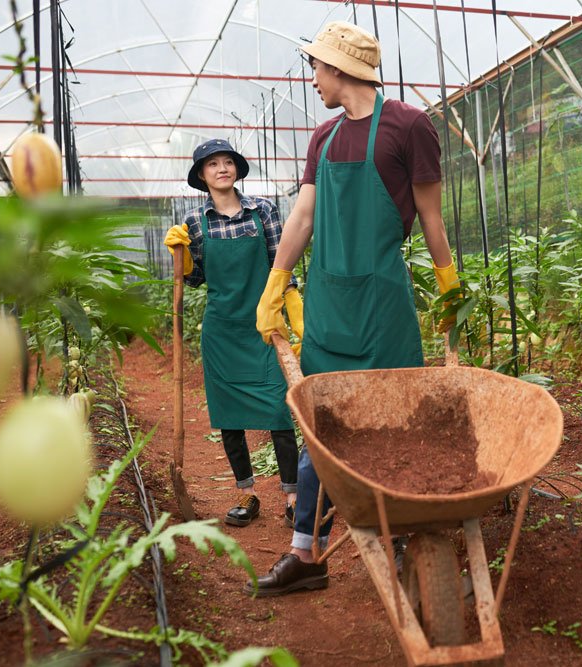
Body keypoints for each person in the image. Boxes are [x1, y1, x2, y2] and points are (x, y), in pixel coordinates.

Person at [249, 21, 460, 597]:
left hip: (384, 305)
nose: (312, 78)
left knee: (396, 425)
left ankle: (400, 544)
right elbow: (303, 218)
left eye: (317, 67)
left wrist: (450, 289)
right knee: (326, 431)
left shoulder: (409, 126)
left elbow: (432, 218)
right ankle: (306, 553)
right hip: (329, 305)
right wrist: (277, 282)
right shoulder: (323, 137)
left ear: (341, 69)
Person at [163, 139, 302, 528]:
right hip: (222, 331)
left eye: (228, 162)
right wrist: (183, 257)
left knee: (279, 410)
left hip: (264, 327)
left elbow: (281, 264)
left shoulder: (264, 211)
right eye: (213, 164)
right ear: (202, 176)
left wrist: (293, 307)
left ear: (237, 170)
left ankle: (292, 496)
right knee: (229, 417)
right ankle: (247, 494)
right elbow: (194, 279)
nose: (222, 168)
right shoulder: (194, 223)